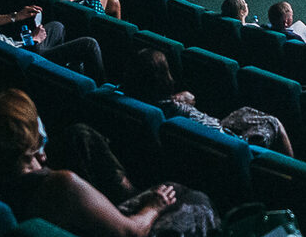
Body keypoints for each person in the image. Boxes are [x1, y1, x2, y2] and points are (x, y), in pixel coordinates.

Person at [0, 89, 214, 237]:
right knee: (192, 196)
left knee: (80, 135)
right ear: (29, 147)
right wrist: (153, 207)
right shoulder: (62, 185)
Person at [122, 48, 294, 156]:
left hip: (213, 129)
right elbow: (212, 128)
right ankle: (288, 168)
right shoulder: (180, 110)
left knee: (244, 111)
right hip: (226, 140)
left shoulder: (138, 99)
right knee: (273, 122)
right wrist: (184, 100)